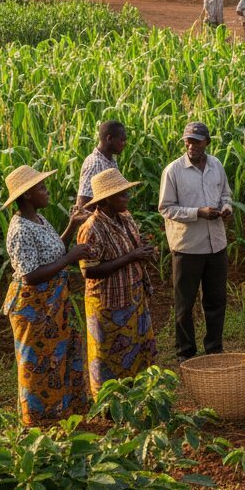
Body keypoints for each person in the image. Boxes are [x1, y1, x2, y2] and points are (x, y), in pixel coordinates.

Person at [1, 165, 89, 425]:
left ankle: (60, 413)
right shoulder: (20, 229)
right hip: (34, 309)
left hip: (52, 306)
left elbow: (54, 251)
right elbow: (30, 275)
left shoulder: (38, 220)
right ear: (28, 195)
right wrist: (71, 257)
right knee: (37, 364)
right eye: (41, 188)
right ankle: (39, 422)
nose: (46, 191)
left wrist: (72, 226)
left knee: (57, 357)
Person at [79, 168, 157, 394]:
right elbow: (89, 271)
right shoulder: (91, 228)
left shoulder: (125, 217)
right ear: (107, 199)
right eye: (122, 194)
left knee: (138, 353)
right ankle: (109, 403)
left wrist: (143, 251)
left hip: (134, 297)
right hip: (109, 305)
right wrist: (131, 257)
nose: (127, 198)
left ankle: (139, 397)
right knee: (109, 360)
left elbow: (133, 247)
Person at [159, 121, 233, 360]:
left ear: (206, 143)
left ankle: (214, 348)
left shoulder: (216, 165)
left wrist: (227, 208)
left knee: (216, 300)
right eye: (188, 142)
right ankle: (186, 352)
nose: (191, 146)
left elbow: (226, 194)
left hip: (216, 244)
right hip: (187, 247)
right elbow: (166, 208)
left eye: (197, 142)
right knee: (185, 304)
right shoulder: (173, 171)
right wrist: (197, 212)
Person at [76, 120, 126, 208]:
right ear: (109, 138)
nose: (124, 144)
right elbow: (83, 205)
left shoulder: (111, 161)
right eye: (122, 140)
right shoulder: (94, 164)